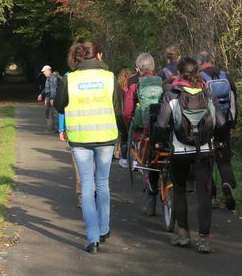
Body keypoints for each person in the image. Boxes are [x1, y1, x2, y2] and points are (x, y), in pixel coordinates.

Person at [54, 42, 123, 254]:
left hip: (80, 138)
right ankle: (104, 229)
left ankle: (92, 239)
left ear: (80, 57)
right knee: (103, 184)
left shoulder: (69, 79)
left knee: (87, 186)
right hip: (105, 138)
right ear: (99, 55)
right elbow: (118, 110)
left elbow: (59, 105)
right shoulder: (109, 78)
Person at [153, 56, 226, 253]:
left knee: (179, 190)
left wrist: (160, 137)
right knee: (203, 193)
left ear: (178, 73)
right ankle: (204, 240)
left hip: (179, 150)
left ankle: (183, 234)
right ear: (197, 72)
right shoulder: (207, 92)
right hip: (203, 149)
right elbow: (220, 122)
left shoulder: (172, 94)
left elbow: (161, 123)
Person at [196, 51, 238, 210]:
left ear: (199, 63)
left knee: (206, 162)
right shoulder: (226, 76)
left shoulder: (198, 78)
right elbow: (235, 101)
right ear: (213, 61)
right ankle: (227, 183)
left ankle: (212, 197)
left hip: (206, 125)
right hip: (225, 124)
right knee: (224, 158)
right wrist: (232, 124)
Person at [124, 53, 164, 216]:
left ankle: (150, 200)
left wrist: (130, 128)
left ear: (137, 68)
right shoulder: (163, 82)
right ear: (153, 67)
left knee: (147, 163)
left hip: (143, 132)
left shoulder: (135, 85)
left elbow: (127, 113)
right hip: (162, 128)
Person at [117, 69, 133, 168]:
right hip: (129, 114)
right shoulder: (131, 87)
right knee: (131, 137)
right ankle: (133, 159)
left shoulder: (118, 88)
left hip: (119, 114)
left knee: (123, 137)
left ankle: (123, 159)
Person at [37, 65, 59, 132]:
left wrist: (51, 98)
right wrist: (41, 94)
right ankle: (52, 128)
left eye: (44, 71)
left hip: (52, 98)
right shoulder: (49, 78)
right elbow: (47, 88)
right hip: (50, 97)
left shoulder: (52, 78)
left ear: (49, 70)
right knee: (49, 112)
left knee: (53, 113)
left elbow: (53, 90)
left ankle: (55, 129)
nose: (43, 73)